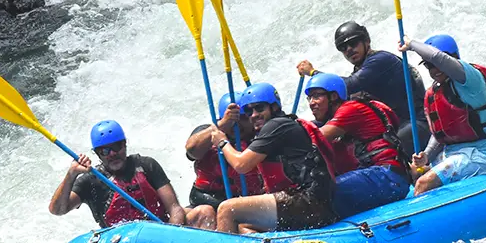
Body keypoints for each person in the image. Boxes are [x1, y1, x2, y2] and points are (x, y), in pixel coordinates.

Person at [208, 83, 336, 234]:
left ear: (274, 107)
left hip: (308, 201)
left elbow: (241, 164)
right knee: (244, 225)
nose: (254, 115)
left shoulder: (277, 125)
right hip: (311, 203)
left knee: (228, 208)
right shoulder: (274, 127)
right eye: (249, 111)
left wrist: (222, 142)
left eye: (259, 108)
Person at [49, 120, 216, 230]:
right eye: (105, 150)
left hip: (159, 231)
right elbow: (57, 210)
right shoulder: (91, 180)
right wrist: (71, 174)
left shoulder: (146, 165)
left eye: (117, 147)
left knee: (205, 211)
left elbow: (174, 208)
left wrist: (171, 236)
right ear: (97, 153)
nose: (113, 154)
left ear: (125, 144)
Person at [296, 20, 429, 154]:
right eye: (343, 47)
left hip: (415, 122)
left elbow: (347, 85)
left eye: (353, 43)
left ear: (366, 41)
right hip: (394, 126)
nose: (349, 49)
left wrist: (313, 73)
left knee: (385, 148)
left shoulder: (380, 60)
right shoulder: (360, 70)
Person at [397, 34, 486, 195]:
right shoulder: (435, 91)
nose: (434, 70)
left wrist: (411, 44)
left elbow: (437, 57)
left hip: (483, 153)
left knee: (423, 183)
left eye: (436, 64)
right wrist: (426, 155)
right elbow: (442, 131)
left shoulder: (468, 78)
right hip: (453, 153)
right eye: (429, 66)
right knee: (414, 171)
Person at [304, 72, 412, 218]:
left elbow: (315, 139)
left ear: (333, 97)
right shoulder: (336, 120)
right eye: (309, 98)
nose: (311, 102)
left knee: (325, 192)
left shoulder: (351, 109)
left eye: (317, 96)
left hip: (387, 177)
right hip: (375, 177)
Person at [184, 93, 263, 209]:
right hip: (207, 198)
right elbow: (192, 150)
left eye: (243, 119)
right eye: (233, 120)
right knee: (200, 212)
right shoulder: (209, 132)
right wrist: (222, 125)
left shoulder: (260, 136)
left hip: (248, 202)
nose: (237, 125)